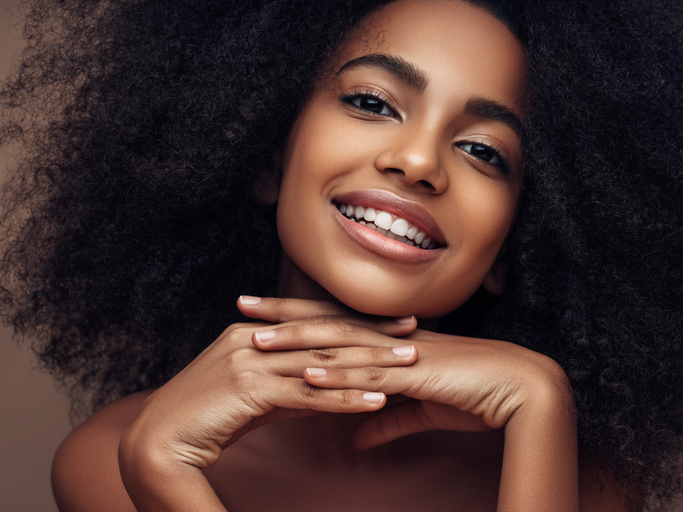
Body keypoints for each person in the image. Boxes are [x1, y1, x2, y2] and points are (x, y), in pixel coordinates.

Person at [0, 0, 680, 510]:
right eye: (370, 102)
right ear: (267, 157)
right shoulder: (115, 458)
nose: (416, 163)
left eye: (483, 151)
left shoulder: (574, 467)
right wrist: (163, 469)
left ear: (514, 245)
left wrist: (536, 402)